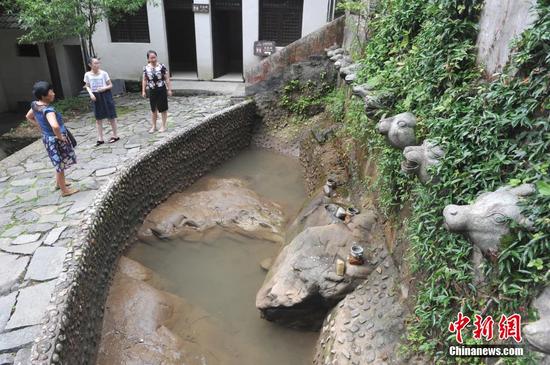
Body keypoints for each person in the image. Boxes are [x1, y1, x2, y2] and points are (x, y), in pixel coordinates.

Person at [26, 81, 79, 197]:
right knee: (60, 165)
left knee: (58, 162)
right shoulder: (49, 111)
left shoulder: (35, 104)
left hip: (47, 138)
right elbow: (55, 126)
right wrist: (60, 137)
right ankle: (64, 191)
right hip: (55, 140)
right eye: (51, 92)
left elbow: (28, 116)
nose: (54, 93)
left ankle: (59, 184)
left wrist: (41, 127)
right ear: (44, 96)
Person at [84, 57, 119, 146]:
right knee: (98, 118)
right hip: (95, 96)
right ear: (90, 65)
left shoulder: (104, 73)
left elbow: (111, 85)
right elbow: (87, 85)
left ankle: (115, 135)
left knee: (111, 116)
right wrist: (91, 94)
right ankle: (100, 138)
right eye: (95, 63)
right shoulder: (87, 74)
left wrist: (104, 88)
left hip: (106, 95)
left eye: (98, 63)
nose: (97, 65)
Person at [142, 50, 172, 133]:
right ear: (148, 59)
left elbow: (166, 78)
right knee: (153, 109)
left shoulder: (161, 66)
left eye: (154, 57)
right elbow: (144, 80)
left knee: (163, 108)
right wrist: (143, 91)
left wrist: (169, 89)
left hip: (161, 88)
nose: (153, 59)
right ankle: (154, 126)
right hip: (152, 89)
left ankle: (163, 126)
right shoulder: (146, 68)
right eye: (151, 58)